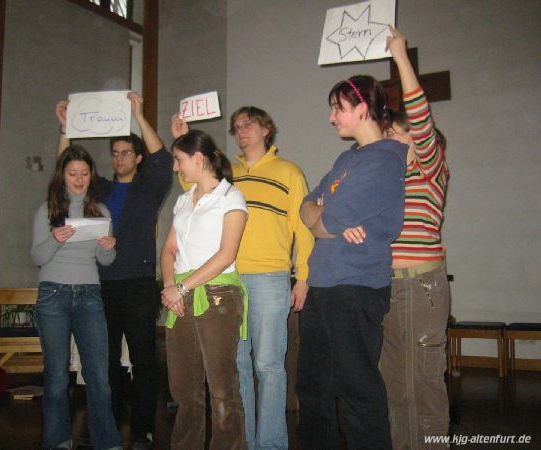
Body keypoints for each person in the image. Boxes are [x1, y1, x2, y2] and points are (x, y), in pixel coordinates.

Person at [172, 107, 314, 450]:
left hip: (269, 277)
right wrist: (183, 136)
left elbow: (304, 230)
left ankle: (271, 444)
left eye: (248, 124)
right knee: (235, 368)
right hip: (227, 281)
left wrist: (303, 277)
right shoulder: (228, 175)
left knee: (268, 365)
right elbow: (192, 187)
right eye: (236, 127)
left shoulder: (289, 172)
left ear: (267, 129)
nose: (241, 131)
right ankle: (244, 442)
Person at [297, 75, 408, 450]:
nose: (331, 118)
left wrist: (323, 218)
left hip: (356, 287)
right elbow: (307, 206)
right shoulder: (347, 159)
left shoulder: (386, 159)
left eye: (338, 108)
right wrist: (322, 218)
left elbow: (325, 219)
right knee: (312, 387)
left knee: (357, 390)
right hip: (324, 284)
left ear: (363, 109)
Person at [56, 92, 172, 450]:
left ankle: (142, 430)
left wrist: (139, 114)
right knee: (103, 360)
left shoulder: (149, 187)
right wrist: (66, 129)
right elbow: (66, 169)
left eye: (126, 152)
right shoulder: (101, 188)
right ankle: (107, 422)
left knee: (142, 358)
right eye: (115, 153)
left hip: (137, 284)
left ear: (137, 158)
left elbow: (164, 158)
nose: (119, 158)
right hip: (101, 284)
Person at [378, 26, 451, 449]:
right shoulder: (388, 179)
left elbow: (421, 119)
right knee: (392, 379)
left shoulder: (430, 170)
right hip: (385, 284)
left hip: (423, 284)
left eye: (395, 136)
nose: (388, 142)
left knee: (423, 378)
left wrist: (399, 56)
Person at [160, 129, 248, 450]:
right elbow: (169, 249)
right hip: (181, 296)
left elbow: (227, 254)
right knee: (184, 391)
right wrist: (171, 286)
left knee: (222, 389)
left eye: (179, 160)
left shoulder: (230, 197)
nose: (175, 167)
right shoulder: (183, 200)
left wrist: (181, 287)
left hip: (217, 296)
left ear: (198, 159)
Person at [31, 145, 122, 450]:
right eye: (73, 173)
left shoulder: (101, 211)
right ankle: (57, 440)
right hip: (52, 295)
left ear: (91, 175)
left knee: (98, 376)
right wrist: (54, 239)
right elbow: (38, 257)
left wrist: (108, 247)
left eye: (85, 173)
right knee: (56, 378)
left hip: (89, 295)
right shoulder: (48, 209)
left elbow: (105, 261)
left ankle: (107, 442)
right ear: (63, 175)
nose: (79, 179)